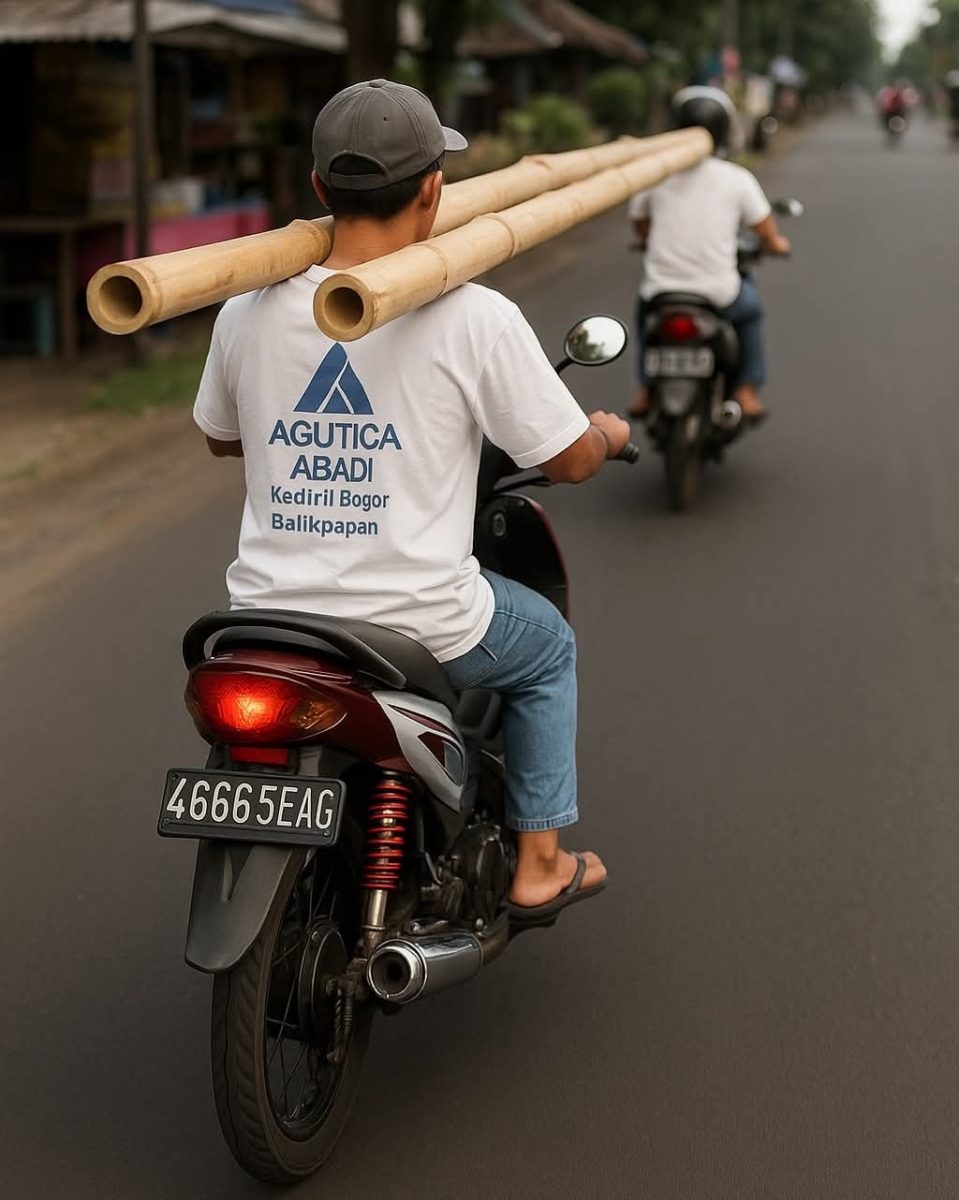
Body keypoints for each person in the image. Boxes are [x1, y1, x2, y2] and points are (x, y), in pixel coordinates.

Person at [193, 79, 630, 919]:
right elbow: (567, 460)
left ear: (319, 189)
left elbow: (220, 433)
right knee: (546, 652)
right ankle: (538, 861)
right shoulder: (475, 317)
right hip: (421, 622)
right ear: (433, 191)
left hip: (264, 617)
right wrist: (606, 436)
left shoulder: (244, 308)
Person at [627, 86, 790, 423]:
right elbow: (765, 229)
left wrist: (649, 237)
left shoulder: (654, 175)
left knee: (645, 316)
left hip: (662, 291)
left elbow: (640, 223)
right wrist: (776, 244)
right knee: (751, 311)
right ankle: (746, 389)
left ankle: (645, 388)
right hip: (719, 294)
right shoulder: (737, 179)